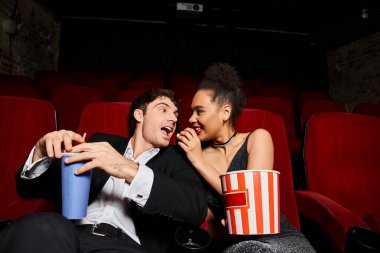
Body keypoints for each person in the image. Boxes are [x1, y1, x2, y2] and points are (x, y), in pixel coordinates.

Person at [0, 89, 208, 253]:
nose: (173, 118)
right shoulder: (101, 141)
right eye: (163, 109)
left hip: (126, 245)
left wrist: (128, 169)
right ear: (139, 114)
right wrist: (41, 152)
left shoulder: (176, 158)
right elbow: (30, 189)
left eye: (175, 114)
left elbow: (195, 208)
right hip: (68, 233)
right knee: (38, 226)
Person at [176, 63, 316, 252]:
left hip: (277, 237)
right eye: (191, 112)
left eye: (199, 111)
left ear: (225, 112)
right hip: (234, 243)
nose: (191, 119)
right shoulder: (192, 155)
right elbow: (206, 220)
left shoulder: (258, 138)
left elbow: (252, 201)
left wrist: (199, 161)